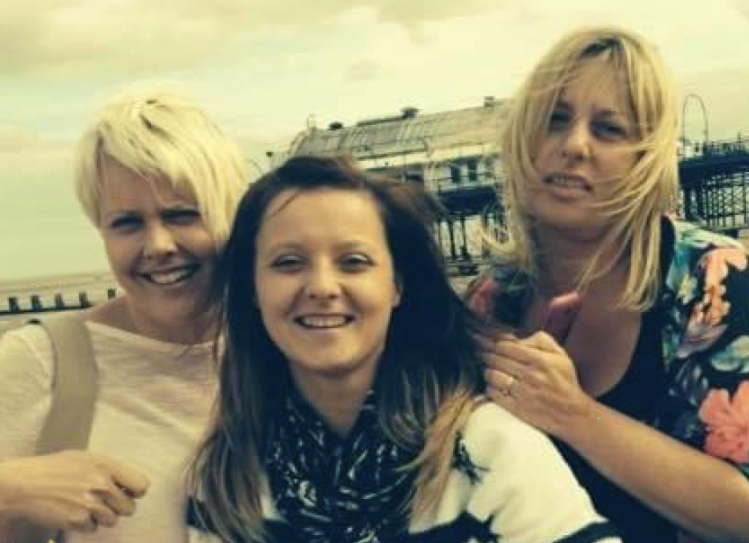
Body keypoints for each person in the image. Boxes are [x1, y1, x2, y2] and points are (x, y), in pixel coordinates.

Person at [186, 155, 622, 543]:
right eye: (288, 262)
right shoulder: (230, 473)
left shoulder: (487, 451)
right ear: (252, 289)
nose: (321, 287)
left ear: (397, 285)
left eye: (353, 262)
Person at [465, 26, 749, 543]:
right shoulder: (492, 297)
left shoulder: (714, 279)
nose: (574, 145)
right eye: (554, 120)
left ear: (646, 158)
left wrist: (572, 414)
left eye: (609, 129)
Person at [0, 87, 248, 542]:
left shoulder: (289, 350)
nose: (158, 245)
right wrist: (8, 492)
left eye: (182, 215)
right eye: (127, 223)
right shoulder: (40, 363)